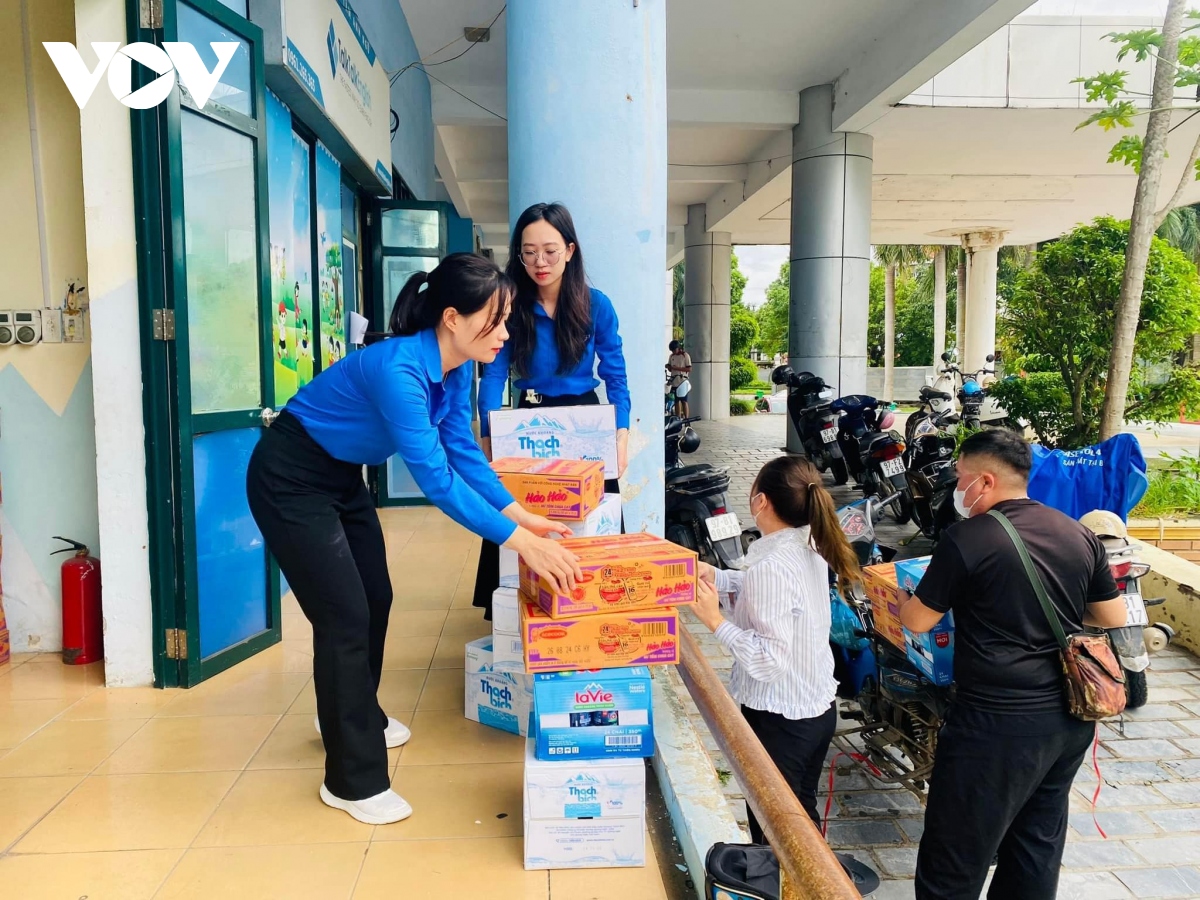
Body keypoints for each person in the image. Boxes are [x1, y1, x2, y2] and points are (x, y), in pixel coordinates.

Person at [246, 253, 582, 827]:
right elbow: (436, 479)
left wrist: (522, 517)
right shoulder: (399, 370)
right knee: (344, 616)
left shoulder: (452, 369)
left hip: (339, 477)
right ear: (453, 318)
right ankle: (352, 779)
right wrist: (521, 545)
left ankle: (352, 714)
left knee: (375, 596)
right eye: (495, 320)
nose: (504, 334)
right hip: (290, 477)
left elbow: (460, 449)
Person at [897, 429, 1127, 900]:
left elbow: (919, 620)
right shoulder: (1076, 531)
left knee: (955, 855)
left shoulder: (968, 538)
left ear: (983, 481)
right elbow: (1112, 616)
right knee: (1034, 847)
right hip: (1069, 719)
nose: (956, 488)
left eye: (959, 478)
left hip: (996, 724)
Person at [691, 455, 862, 843]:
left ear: (761, 502)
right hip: (814, 710)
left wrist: (714, 621)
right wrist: (719, 578)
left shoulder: (772, 564)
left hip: (781, 720)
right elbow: (778, 601)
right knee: (799, 819)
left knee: (775, 832)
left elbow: (768, 661)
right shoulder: (808, 542)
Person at [472, 202, 630, 616]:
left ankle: (596, 601)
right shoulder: (511, 304)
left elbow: (616, 374)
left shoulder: (597, 306)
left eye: (550, 251)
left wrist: (622, 433)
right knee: (523, 508)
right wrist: (487, 436)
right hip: (529, 419)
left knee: (593, 514)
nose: (539, 262)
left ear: (571, 251)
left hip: (586, 422)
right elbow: (493, 374)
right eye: (528, 252)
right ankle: (514, 607)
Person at [668, 339, 692, 418]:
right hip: (674, 381)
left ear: (678, 348)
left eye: (674, 350)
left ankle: (686, 418)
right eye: (672, 350)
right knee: (676, 400)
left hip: (682, 381)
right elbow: (670, 368)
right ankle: (677, 418)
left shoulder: (685, 355)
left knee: (684, 401)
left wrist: (678, 368)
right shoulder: (671, 356)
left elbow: (689, 369)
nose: (673, 352)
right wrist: (669, 367)